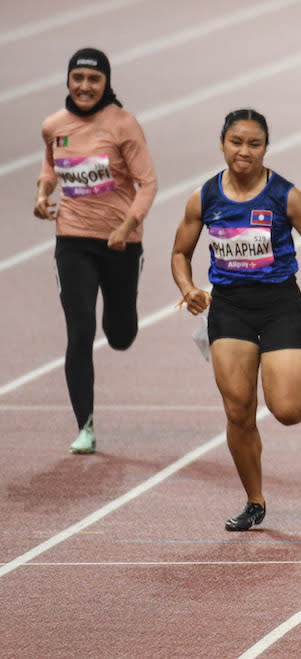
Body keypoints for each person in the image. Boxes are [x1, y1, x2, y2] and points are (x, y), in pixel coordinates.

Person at [170, 109, 301, 532]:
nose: (244, 151)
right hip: (229, 309)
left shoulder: (285, 195)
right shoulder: (204, 197)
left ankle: (279, 370)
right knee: (239, 410)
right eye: (236, 142)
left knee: (288, 410)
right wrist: (188, 288)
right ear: (223, 144)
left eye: (254, 144)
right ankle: (254, 500)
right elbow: (179, 252)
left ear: (265, 148)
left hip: (279, 304)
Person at [34, 48, 158, 454]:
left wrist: (127, 225)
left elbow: (148, 183)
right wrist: (42, 192)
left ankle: (123, 315)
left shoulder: (123, 125)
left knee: (119, 335)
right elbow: (51, 166)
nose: (85, 86)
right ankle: (84, 425)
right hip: (72, 239)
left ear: (106, 83)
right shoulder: (54, 125)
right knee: (80, 330)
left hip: (121, 243)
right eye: (78, 78)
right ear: (68, 81)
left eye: (94, 79)